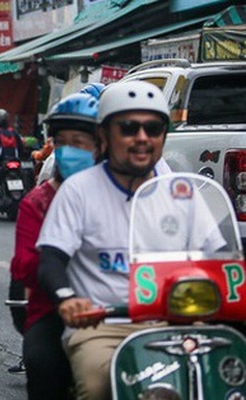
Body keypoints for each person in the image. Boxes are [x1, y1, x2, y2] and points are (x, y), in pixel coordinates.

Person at [36, 81, 173, 400]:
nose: (142, 138)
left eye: (152, 128)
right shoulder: (78, 190)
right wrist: (68, 298)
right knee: (98, 385)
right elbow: (51, 259)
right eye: (128, 128)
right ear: (104, 136)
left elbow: (220, 256)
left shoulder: (180, 193)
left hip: (175, 322)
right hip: (104, 326)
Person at [9, 93, 99, 397]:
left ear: (101, 146)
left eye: (80, 142)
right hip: (55, 311)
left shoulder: (125, 191)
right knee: (43, 364)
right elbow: (25, 266)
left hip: (123, 309)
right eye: (62, 143)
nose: (69, 151)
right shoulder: (39, 200)